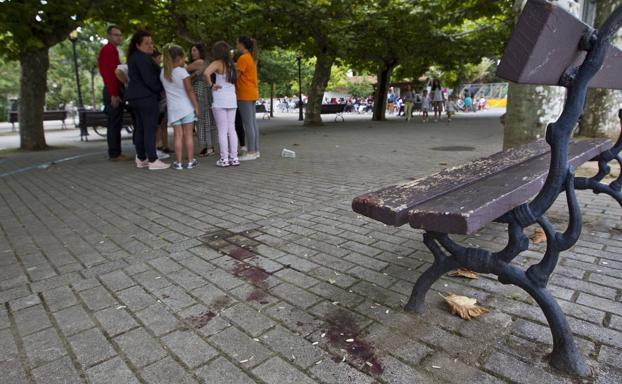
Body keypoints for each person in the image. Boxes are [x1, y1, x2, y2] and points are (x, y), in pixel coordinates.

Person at [125, 30, 169, 170]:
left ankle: (142, 158)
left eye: (151, 43)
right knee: (149, 128)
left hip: (135, 98)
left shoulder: (133, 58)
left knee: (140, 128)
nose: (151, 46)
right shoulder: (143, 59)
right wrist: (160, 90)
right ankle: (153, 159)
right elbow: (150, 80)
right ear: (138, 45)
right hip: (146, 97)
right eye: (146, 43)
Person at [161, 44, 200, 170]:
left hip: (173, 109)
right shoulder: (182, 72)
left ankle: (178, 162)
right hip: (186, 108)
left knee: (177, 136)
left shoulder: (163, 73)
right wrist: (196, 106)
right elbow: (189, 91)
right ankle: (190, 161)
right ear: (179, 58)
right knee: (188, 135)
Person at [204, 41, 239, 167]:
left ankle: (224, 159)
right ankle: (234, 158)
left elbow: (206, 73)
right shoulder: (232, 65)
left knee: (222, 130)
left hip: (220, 99)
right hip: (232, 99)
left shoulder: (217, 63)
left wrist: (211, 85)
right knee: (232, 129)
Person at [98, 25, 130, 161]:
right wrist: (114, 94)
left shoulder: (112, 50)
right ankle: (115, 153)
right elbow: (110, 74)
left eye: (120, 34)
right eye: (116, 34)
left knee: (115, 122)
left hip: (114, 89)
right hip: (113, 90)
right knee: (114, 122)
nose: (119, 37)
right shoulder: (109, 51)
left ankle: (115, 152)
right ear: (108, 36)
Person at [187, 42, 217, 157]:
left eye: (195, 50)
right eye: (191, 50)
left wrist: (192, 75)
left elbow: (183, 71)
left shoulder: (199, 62)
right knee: (205, 120)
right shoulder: (205, 62)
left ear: (200, 51)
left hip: (201, 94)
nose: (192, 52)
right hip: (205, 93)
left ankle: (208, 147)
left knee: (203, 120)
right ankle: (208, 146)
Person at [235, 36, 260, 161]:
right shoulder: (251, 57)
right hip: (252, 93)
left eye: (237, 43)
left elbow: (235, 76)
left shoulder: (243, 58)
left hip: (244, 94)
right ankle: (255, 150)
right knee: (253, 123)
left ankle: (251, 151)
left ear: (242, 44)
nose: (236, 46)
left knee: (248, 124)